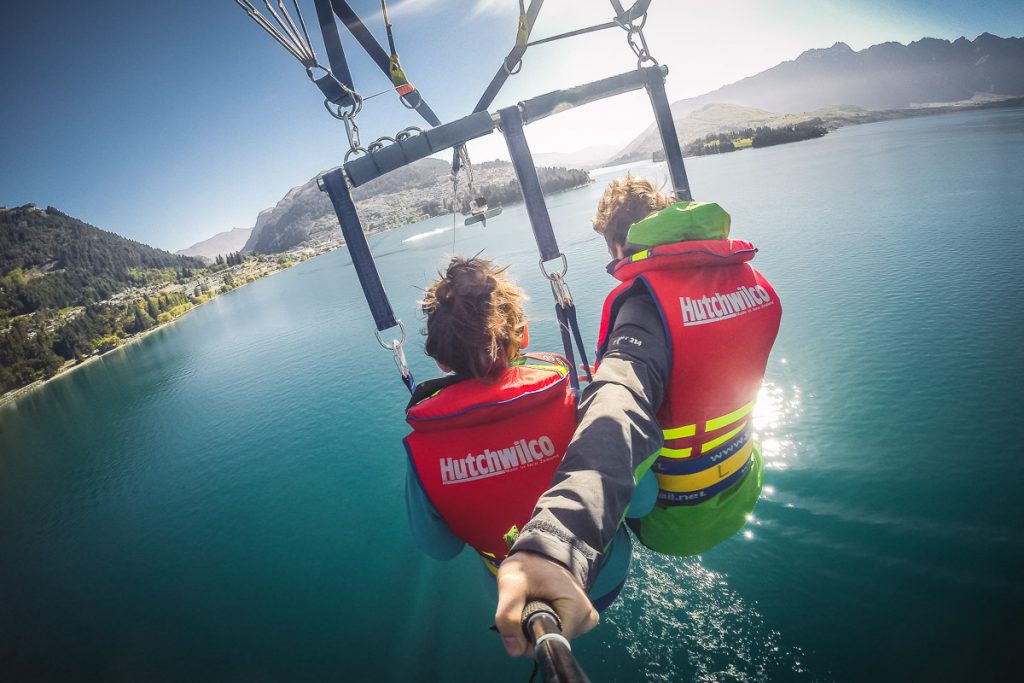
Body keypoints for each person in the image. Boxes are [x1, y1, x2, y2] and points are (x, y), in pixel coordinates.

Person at [494, 176, 782, 656]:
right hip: (745, 484)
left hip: (673, 522)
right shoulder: (749, 278)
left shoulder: (646, 303)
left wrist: (559, 541)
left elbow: (617, 407)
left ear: (618, 244)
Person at [404, 256, 643, 613]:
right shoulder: (576, 400)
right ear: (524, 334)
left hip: (522, 603)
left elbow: (441, 548)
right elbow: (643, 500)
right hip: (603, 576)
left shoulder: (421, 449)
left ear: (440, 361)